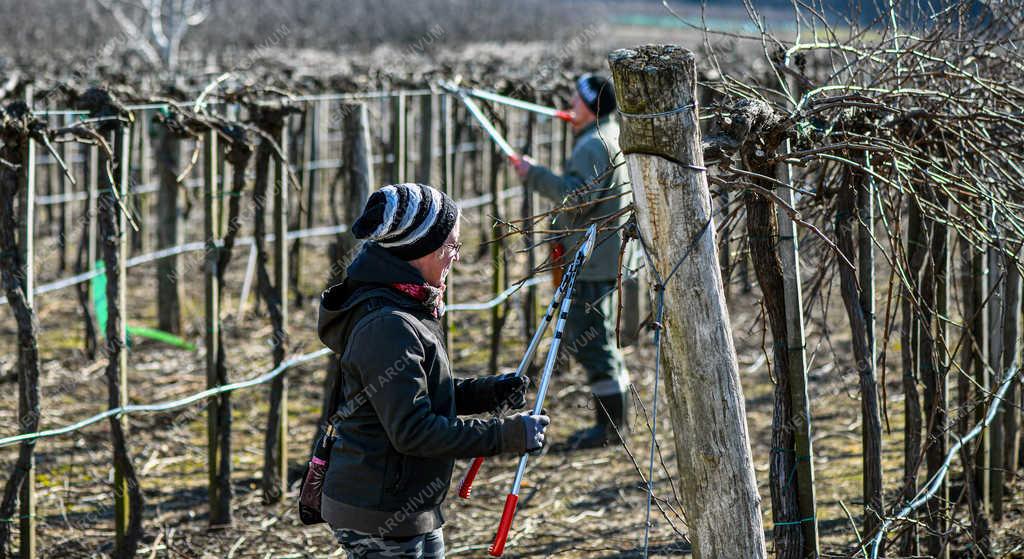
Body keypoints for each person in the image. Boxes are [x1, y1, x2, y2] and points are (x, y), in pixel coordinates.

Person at [317, 183, 550, 558]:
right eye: (450, 246)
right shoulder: (388, 323)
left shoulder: (408, 304)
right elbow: (413, 431)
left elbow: (416, 393)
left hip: (408, 505)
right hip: (378, 511)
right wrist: (506, 435)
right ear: (418, 248)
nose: (456, 257)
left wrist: (486, 393)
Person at [511, 73, 632, 449]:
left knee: (592, 342)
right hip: (601, 257)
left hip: (591, 261)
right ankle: (614, 425)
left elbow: (576, 200)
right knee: (599, 340)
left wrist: (534, 175)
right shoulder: (606, 135)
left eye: (576, 100)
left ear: (590, 105)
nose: (569, 104)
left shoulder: (593, 145)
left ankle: (609, 430)